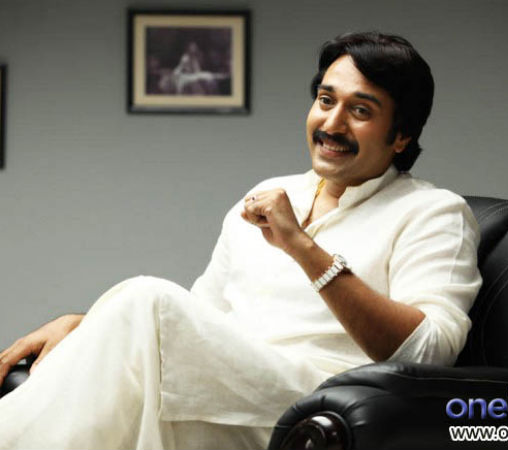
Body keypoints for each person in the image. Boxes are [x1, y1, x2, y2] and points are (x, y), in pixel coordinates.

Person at [0, 31, 482, 449]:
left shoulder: (433, 212)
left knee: (146, 298)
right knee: (115, 392)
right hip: (217, 397)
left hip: (319, 406)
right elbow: (198, 319)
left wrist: (304, 249)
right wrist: (93, 327)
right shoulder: (268, 194)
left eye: (360, 110)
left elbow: (429, 353)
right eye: (325, 100)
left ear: (401, 135)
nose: (332, 124)